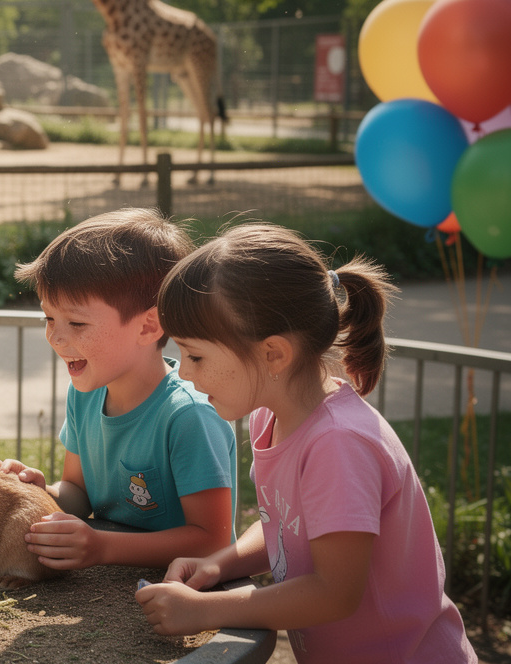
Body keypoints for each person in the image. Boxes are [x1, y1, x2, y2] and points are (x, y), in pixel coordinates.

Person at [137, 223, 475, 663]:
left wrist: (205, 610)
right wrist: (221, 564)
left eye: (196, 355)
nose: (183, 372)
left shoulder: (338, 445)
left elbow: (335, 594)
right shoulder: (271, 417)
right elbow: (287, 524)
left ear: (273, 353)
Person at [0, 208, 236, 570]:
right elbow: (78, 493)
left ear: (149, 327)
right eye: (49, 318)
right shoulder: (84, 394)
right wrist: (37, 492)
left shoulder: (189, 416)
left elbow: (211, 540)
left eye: (76, 322)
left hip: (185, 595)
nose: (54, 336)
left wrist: (102, 547)